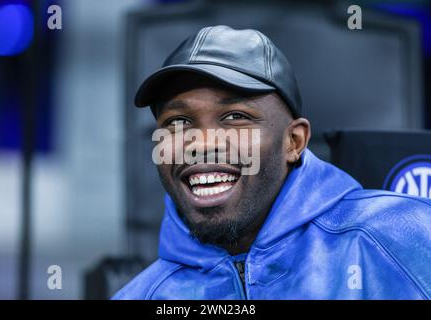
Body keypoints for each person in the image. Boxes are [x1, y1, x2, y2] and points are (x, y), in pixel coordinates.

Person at [113, 25, 431, 299]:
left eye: (235, 116)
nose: (201, 143)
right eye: (178, 121)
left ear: (294, 142)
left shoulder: (403, 236)